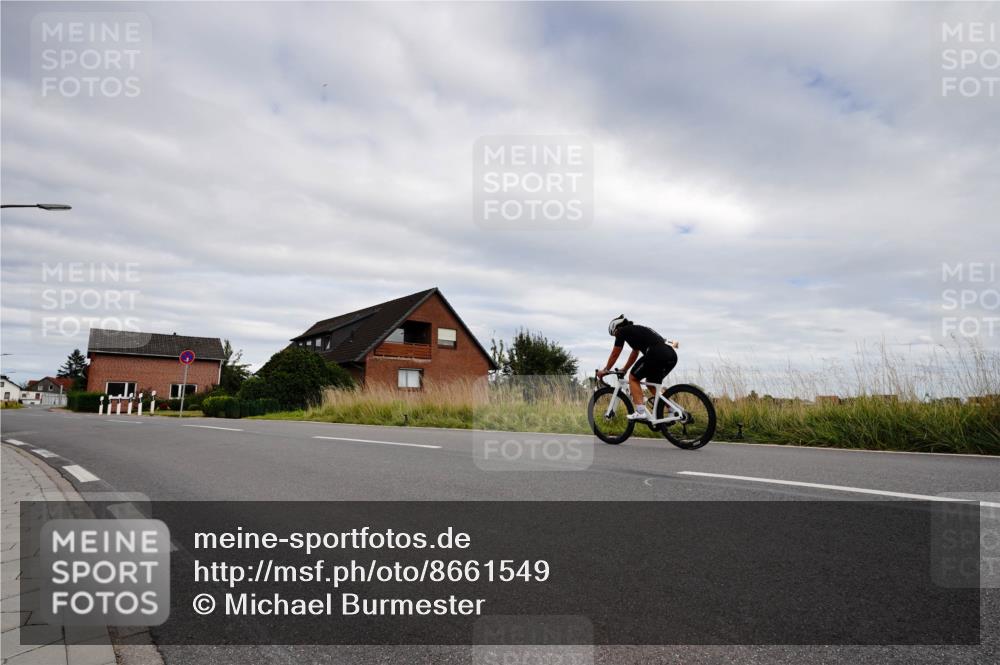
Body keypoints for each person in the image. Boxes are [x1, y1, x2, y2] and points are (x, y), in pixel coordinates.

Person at [597, 315, 679, 421]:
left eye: (615, 334)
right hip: (670, 354)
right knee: (651, 384)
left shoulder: (622, 331)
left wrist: (605, 370)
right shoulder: (636, 331)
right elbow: (635, 353)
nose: (616, 337)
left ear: (616, 328)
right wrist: (625, 369)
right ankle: (673, 410)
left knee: (633, 378)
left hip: (655, 354)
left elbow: (615, 353)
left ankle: (641, 411)